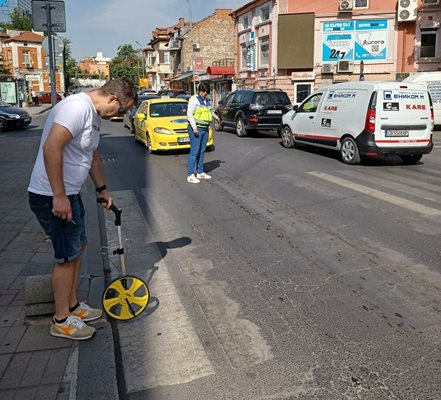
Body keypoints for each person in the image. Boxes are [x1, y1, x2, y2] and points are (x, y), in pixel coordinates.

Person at [28, 78, 137, 340]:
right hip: (52, 195)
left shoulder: (94, 115)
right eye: (123, 110)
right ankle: (62, 319)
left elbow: (92, 156)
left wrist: (102, 190)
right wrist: (59, 196)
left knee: (79, 248)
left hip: (70, 193)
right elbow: (51, 146)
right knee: (67, 257)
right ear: (112, 99)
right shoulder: (77, 108)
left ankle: (73, 306)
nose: (121, 115)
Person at [186, 83, 218, 183]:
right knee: (194, 151)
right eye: (204, 92)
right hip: (196, 129)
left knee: (202, 150)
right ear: (200, 91)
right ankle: (190, 174)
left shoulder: (207, 100)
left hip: (205, 129)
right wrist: (194, 128)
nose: (206, 94)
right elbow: (189, 114)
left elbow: (210, 111)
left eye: (207, 93)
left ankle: (200, 172)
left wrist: (217, 118)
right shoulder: (194, 99)